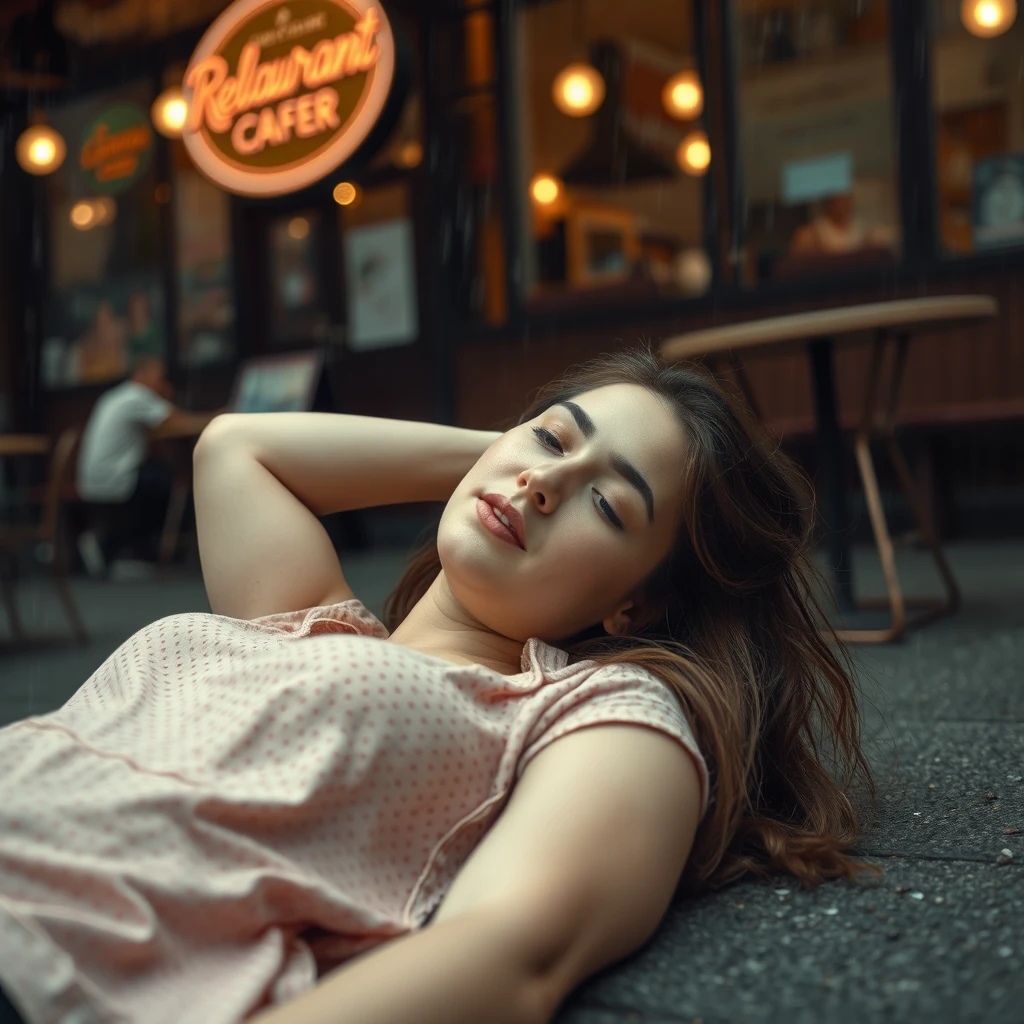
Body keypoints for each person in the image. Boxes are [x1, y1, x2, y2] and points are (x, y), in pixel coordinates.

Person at [0, 346, 880, 1024]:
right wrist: (506, 456)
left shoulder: (585, 707)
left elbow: (508, 957)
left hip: (48, 957)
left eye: (608, 505)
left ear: (635, 602)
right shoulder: (306, 616)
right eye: (550, 436)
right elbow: (238, 446)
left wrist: (532, 457)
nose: (543, 483)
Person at [76, 354, 214, 575]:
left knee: (160, 477)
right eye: (159, 378)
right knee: (174, 487)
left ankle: (115, 546)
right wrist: (221, 416)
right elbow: (178, 422)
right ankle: (127, 548)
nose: (163, 384)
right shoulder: (137, 396)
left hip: (91, 479)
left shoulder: (114, 396)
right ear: (142, 375)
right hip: (116, 478)